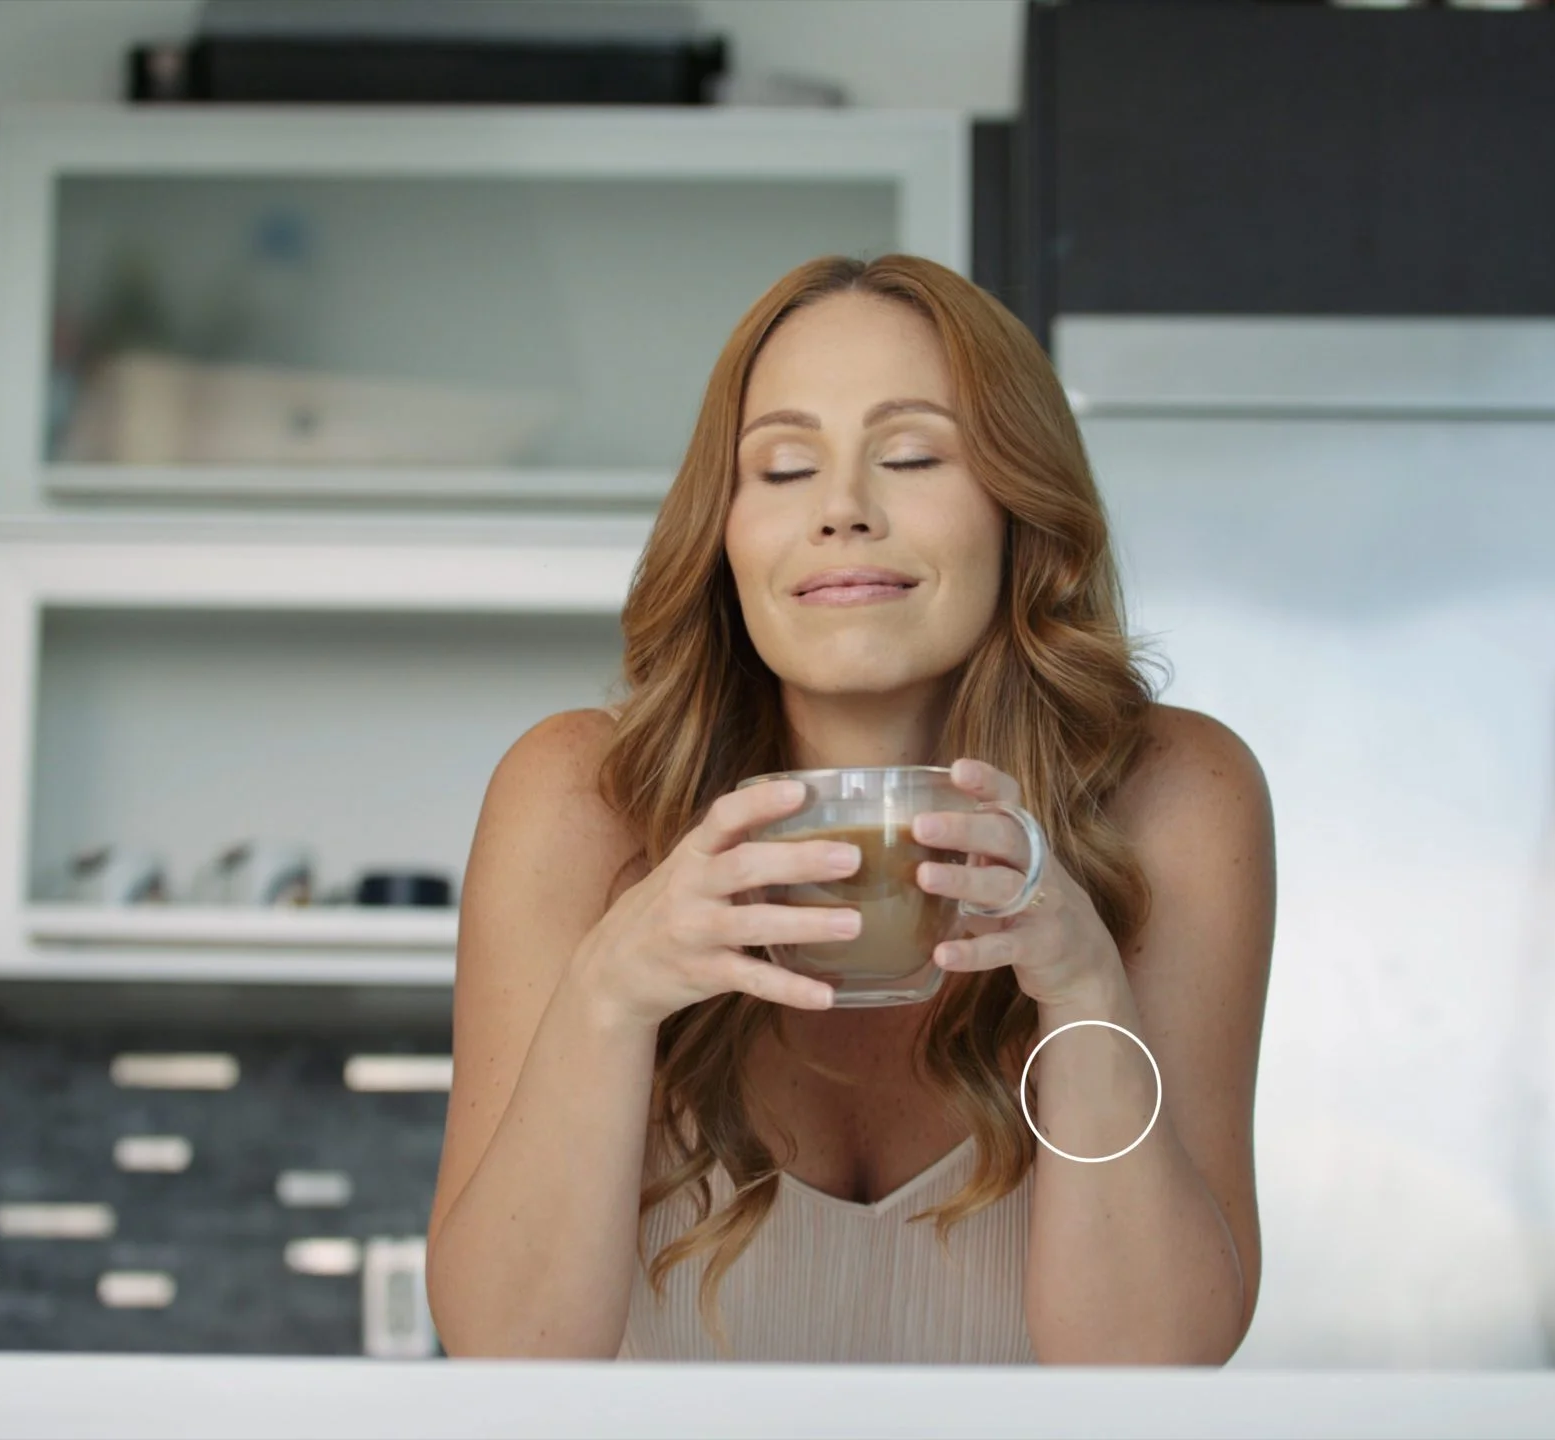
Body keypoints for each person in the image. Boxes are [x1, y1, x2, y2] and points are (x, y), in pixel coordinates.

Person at [425, 254, 1274, 1364]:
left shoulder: (1175, 799)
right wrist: (608, 996)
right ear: (722, 536)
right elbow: (505, 1356)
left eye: (912, 455)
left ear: (1019, 506)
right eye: (781, 469)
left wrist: (1084, 992)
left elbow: (1153, 1371)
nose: (840, 512)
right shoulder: (578, 802)